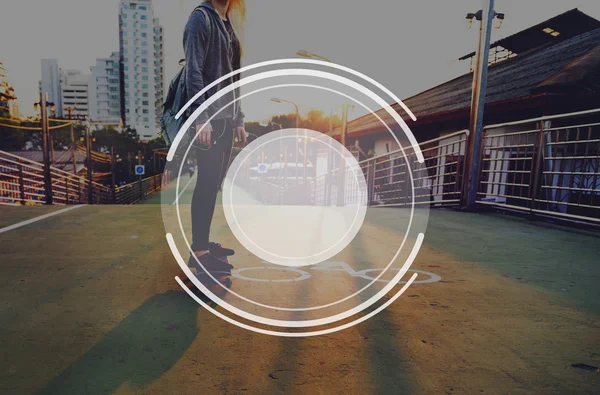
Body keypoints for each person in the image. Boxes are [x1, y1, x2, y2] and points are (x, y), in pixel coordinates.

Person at [184, 0, 247, 283]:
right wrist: (201, 117)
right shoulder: (201, 19)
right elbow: (193, 71)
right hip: (208, 119)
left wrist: (239, 119)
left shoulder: (228, 25)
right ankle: (198, 251)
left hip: (225, 119)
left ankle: (202, 245)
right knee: (207, 183)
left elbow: (234, 78)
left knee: (213, 185)